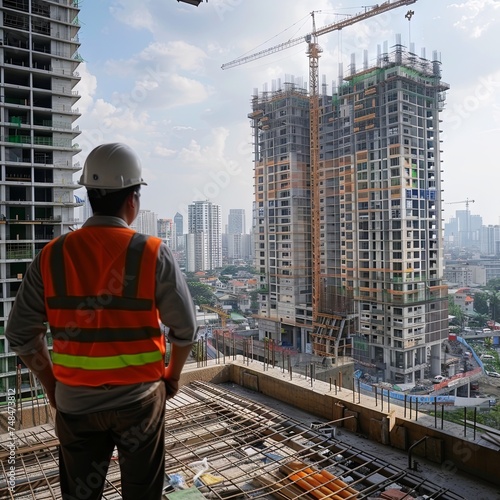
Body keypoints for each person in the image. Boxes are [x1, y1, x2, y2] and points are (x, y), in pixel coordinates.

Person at [5, 143, 197, 500]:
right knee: (143, 492)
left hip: (76, 405)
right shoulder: (153, 252)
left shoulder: (51, 256)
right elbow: (185, 329)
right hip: (140, 402)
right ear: (132, 200)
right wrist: (171, 377)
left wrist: (52, 385)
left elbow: (19, 334)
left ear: (91, 197)